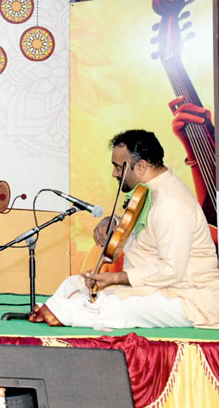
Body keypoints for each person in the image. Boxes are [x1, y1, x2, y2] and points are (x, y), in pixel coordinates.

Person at [33, 130, 219, 329]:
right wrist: (112, 221)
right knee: (73, 284)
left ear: (141, 166)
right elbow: (144, 226)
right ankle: (66, 310)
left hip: (186, 296)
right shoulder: (149, 190)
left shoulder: (172, 203)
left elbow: (171, 270)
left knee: (114, 307)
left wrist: (116, 278)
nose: (114, 174)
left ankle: (67, 311)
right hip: (152, 288)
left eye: (118, 167)